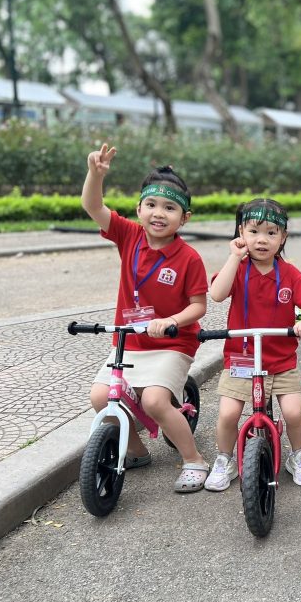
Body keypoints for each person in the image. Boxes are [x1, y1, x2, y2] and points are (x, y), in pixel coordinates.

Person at [81, 143, 211, 493]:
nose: (158, 213)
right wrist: (95, 174)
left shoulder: (189, 258)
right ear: (139, 209)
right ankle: (136, 452)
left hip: (172, 342)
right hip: (130, 340)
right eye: (151, 205)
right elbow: (92, 206)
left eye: (170, 208)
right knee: (100, 398)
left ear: (184, 218)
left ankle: (194, 460)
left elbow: (198, 306)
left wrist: (172, 321)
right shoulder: (129, 236)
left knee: (153, 401)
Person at [205, 198, 301, 491]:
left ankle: (299, 455)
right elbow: (217, 294)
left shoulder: (290, 273)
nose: (262, 239)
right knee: (228, 413)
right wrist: (234, 257)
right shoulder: (239, 268)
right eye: (254, 231)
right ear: (241, 233)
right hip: (241, 359)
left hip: (281, 361)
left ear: (283, 237)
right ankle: (224, 458)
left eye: (271, 233)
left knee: (293, 412)